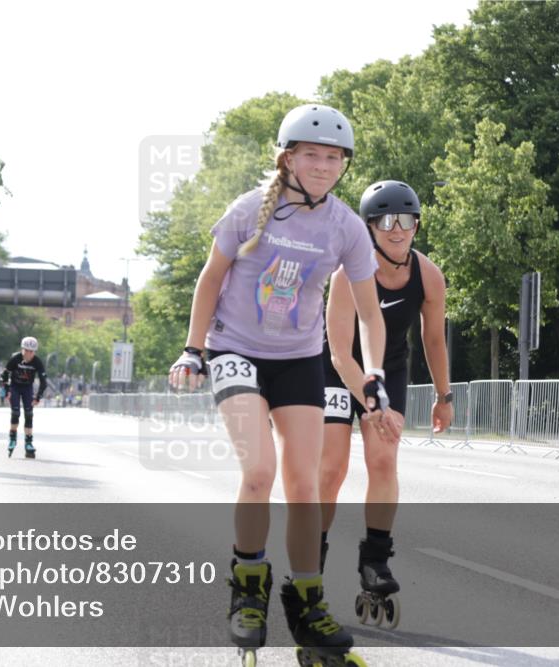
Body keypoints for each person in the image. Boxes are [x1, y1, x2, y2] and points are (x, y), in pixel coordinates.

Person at [168, 104, 397, 666]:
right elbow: (210, 279)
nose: (324, 166)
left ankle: (308, 600)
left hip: (298, 359)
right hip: (236, 350)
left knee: (305, 488)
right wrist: (193, 348)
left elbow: (370, 311)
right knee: (259, 472)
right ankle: (248, 586)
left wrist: (374, 372)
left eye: (334, 158)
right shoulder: (250, 209)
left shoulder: (344, 225)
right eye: (312, 155)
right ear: (288, 157)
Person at [319, 180, 452, 629]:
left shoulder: (428, 275)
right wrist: (370, 402)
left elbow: (433, 339)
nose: (398, 230)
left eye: (408, 221)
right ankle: (309, 563)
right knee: (331, 469)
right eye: (387, 221)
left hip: (390, 366)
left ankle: (375, 560)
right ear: (369, 227)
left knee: (382, 461)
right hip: (336, 370)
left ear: (417, 225)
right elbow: (339, 354)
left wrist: (443, 396)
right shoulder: (346, 275)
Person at [1, 337, 48, 458]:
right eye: (27, 351)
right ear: (22, 349)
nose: (29, 354)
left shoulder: (37, 361)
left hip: (27, 388)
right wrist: (7, 391)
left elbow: (44, 382)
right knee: (15, 412)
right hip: (15, 387)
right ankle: (12, 437)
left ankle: (28, 442)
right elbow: (4, 375)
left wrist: (38, 397)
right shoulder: (15, 359)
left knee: (29, 413)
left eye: (32, 352)